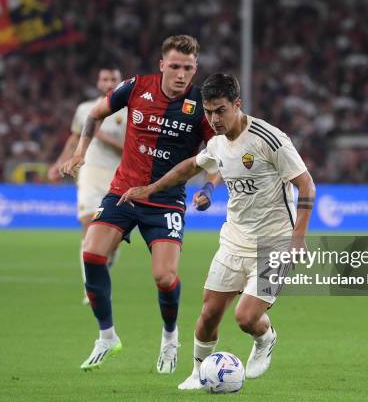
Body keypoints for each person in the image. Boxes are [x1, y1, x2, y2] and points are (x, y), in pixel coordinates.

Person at [118, 73, 316, 389]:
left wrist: (298, 239)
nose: (214, 118)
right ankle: (198, 374)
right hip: (234, 239)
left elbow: (305, 184)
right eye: (209, 112)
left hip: (274, 241)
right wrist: (152, 188)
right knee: (209, 312)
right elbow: (193, 165)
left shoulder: (269, 138)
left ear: (238, 104)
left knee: (246, 318)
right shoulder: (217, 144)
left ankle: (265, 337)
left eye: (220, 110)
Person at [60, 35, 219, 374]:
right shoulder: (136, 87)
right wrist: (79, 153)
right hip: (123, 192)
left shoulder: (202, 105)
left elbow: (220, 154)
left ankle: (170, 337)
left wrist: (209, 188)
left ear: (195, 69)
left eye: (188, 68)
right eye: (174, 66)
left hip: (166, 201)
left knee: (164, 277)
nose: (180, 74)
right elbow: (94, 115)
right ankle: (106, 337)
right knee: (91, 254)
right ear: (162, 64)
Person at [48, 67, 127, 304]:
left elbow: (130, 149)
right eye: (104, 78)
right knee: (89, 224)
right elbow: (74, 138)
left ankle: (107, 260)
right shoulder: (85, 110)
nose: (108, 82)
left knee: (111, 238)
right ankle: (91, 289)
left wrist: (103, 136)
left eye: (113, 78)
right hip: (89, 171)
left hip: (119, 175)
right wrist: (60, 162)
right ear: (98, 82)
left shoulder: (130, 111)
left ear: (120, 81)